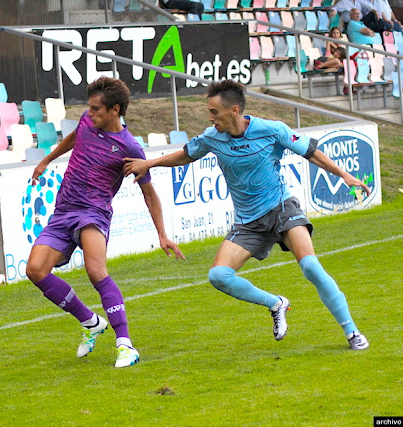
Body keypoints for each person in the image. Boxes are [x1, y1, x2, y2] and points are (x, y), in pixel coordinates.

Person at [123, 79, 370, 351]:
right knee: (218, 276)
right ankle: (276, 303)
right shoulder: (211, 137)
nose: (210, 117)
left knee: (310, 267)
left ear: (234, 110)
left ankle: (352, 332)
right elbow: (185, 155)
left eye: (214, 112)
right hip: (248, 222)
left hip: (281, 208)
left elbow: (312, 153)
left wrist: (345, 176)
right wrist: (150, 163)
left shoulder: (271, 130)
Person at [26, 76, 185, 368]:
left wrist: (162, 234)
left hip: (93, 213)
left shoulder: (129, 147)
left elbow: (149, 191)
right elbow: (74, 138)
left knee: (95, 270)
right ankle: (90, 321)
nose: (90, 113)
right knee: (35, 270)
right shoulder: (88, 122)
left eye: (97, 109)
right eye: (89, 107)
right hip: (63, 210)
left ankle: (125, 345)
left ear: (115, 110)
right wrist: (47, 160)